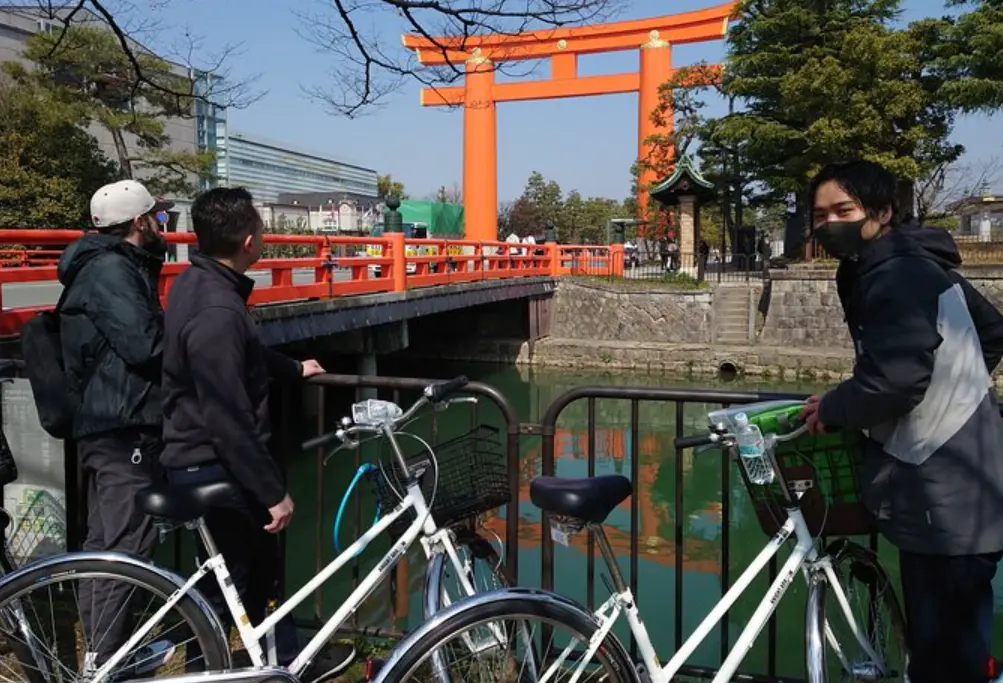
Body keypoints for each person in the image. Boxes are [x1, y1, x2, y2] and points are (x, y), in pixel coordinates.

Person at [798, 160, 1003, 683]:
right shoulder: (916, 265)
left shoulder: (895, 275)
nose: (829, 225)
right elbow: (992, 334)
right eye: (819, 216)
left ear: (883, 212)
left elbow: (893, 380)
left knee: (945, 657)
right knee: (952, 644)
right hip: (960, 480)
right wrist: (956, 387)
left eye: (843, 210)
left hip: (944, 493)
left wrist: (837, 407)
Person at [159, 187, 355, 680]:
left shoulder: (196, 282)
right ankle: (232, 666)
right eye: (263, 231)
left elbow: (240, 357)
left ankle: (281, 659)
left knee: (245, 578)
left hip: (198, 455)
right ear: (250, 240)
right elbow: (226, 415)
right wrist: (272, 492)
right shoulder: (219, 310)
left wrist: (290, 368)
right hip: (213, 461)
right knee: (239, 580)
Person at [57, 179, 172, 673]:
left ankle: (104, 653)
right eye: (159, 217)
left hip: (108, 421)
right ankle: (106, 661)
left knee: (106, 545)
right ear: (140, 222)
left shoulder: (106, 266)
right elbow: (144, 345)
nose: (162, 224)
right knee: (127, 545)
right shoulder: (111, 270)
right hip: (121, 423)